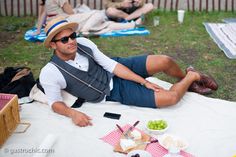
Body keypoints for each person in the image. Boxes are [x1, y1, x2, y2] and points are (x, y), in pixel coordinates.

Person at [39, 17, 218, 127]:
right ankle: (192, 76)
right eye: (64, 39)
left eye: (73, 36)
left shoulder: (84, 44)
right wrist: (73, 113)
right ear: (53, 45)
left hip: (117, 67)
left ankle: (188, 81)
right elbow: (54, 103)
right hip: (113, 91)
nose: (71, 41)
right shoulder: (50, 72)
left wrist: (143, 81)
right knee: (170, 99)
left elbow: (111, 65)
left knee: (164, 60)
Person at [44, 0, 142, 35]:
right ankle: (85, 31)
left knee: (105, 24)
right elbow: (71, 12)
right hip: (64, 21)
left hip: (52, 24)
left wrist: (38, 30)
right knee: (97, 14)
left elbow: (42, 16)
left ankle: (132, 25)